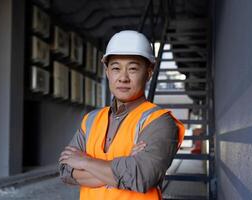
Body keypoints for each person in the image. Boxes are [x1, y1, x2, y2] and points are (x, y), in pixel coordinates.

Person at [58, 30, 185, 200]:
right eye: (116, 68)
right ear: (107, 71)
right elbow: (65, 170)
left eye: (132, 69)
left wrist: (84, 162)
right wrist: (124, 167)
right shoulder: (91, 120)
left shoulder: (160, 121)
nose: (123, 78)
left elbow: (142, 177)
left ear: (149, 72)